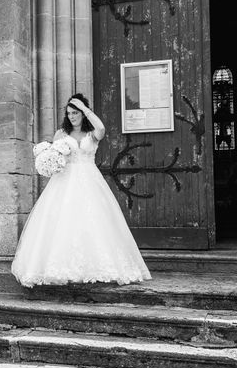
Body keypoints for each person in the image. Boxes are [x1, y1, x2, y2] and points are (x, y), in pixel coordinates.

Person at [11, 93, 152, 287]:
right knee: (62, 221)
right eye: (69, 113)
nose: (72, 116)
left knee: (94, 220)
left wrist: (85, 109)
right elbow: (55, 157)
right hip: (64, 182)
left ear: (83, 113)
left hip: (89, 180)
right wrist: (48, 162)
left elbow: (102, 128)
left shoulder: (92, 133)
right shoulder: (61, 134)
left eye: (75, 112)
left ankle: (96, 268)